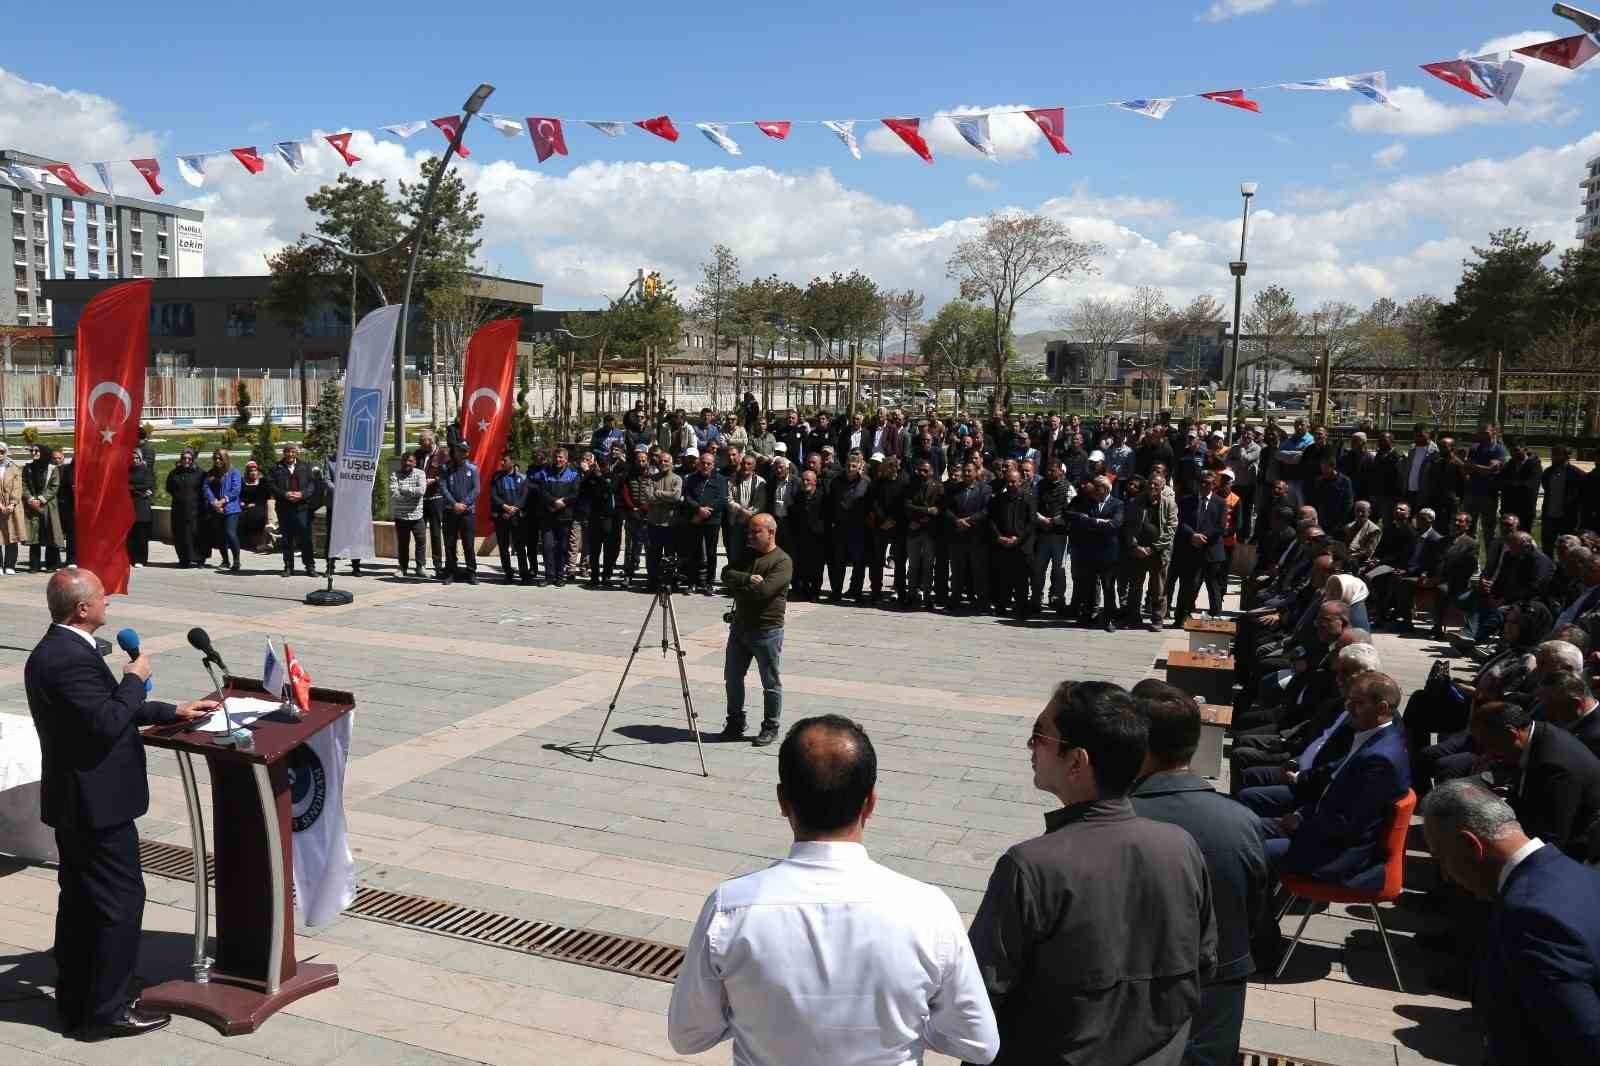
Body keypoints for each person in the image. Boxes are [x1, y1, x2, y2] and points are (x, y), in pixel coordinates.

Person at [669, 714, 999, 1063]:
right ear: (870, 803)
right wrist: (912, 1028)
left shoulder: (730, 909)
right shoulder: (929, 910)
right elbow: (979, 1044)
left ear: (783, 801)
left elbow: (687, 1036)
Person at [968, 680, 1215, 1065]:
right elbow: (1204, 963)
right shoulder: (1181, 847)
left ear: (1077, 761)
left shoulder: (1031, 867)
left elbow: (979, 995)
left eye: (1039, 735)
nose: (1029, 746)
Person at [25, 569, 218, 1038]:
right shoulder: (66, 658)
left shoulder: (64, 649)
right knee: (117, 904)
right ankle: (108, 1010)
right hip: (96, 805)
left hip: (80, 802)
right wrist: (135, 679)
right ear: (83, 610)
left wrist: (168, 711)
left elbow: (97, 707)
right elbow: (106, 721)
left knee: (82, 903)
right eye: (102, 597)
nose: (109, 602)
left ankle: (78, 1000)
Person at [1130, 686, 1269, 1066]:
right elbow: (1255, 909)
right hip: (1220, 985)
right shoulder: (1242, 820)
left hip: (1139, 991)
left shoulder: (1117, 819)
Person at [1420, 780, 1600, 1066]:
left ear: (1470, 845)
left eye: (1442, 859)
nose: (1446, 874)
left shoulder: (1531, 917)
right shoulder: (1577, 875)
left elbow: (1583, 1041)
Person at [1261, 671, 1410, 889]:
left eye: (1357, 703)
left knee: (1248, 852)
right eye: (1349, 700)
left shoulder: (1381, 759)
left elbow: (1347, 824)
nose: (1348, 707)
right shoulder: (1369, 736)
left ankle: (1255, 920)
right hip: (1318, 827)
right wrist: (1300, 815)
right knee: (1243, 829)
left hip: (1336, 855)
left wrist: (1299, 825)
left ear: (1382, 708)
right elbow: (1332, 786)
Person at [1470, 700, 1600, 861]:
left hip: (1570, 851)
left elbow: (1552, 839)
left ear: (1511, 733)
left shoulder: (1555, 767)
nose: (1487, 752)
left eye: (1489, 744)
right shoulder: (1538, 734)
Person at [720, 514, 792, 746]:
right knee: (732, 677)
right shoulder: (748, 554)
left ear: (771, 532)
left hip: (766, 630)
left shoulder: (782, 561)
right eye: (749, 532)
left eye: (756, 532)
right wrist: (748, 578)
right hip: (740, 627)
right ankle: (735, 721)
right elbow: (726, 574)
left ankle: (770, 725)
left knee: (770, 682)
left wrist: (738, 588)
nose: (750, 536)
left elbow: (764, 592)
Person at [1068, 476, 1123, 631]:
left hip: (1108, 554)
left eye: (1097, 487)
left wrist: (1094, 521)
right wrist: (1100, 522)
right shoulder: (1089, 503)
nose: (1093, 490)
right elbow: (1082, 520)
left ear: (1105, 489)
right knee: (1089, 586)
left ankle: (1109, 619)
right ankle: (1088, 615)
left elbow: (1115, 524)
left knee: (1108, 588)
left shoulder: (1117, 504)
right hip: (1090, 551)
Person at [271, 444, 317, 576]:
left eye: (293, 452)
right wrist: (285, 494)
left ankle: (309, 566)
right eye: (287, 452)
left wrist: (302, 494)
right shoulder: (276, 468)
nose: (290, 455)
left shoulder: (305, 466)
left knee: (305, 538)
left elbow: (312, 485)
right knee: (287, 538)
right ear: (284, 453)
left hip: (302, 507)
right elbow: (272, 485)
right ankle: (288, 567)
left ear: (296, 453)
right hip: (284, 508)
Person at [439, 439, 481, 585]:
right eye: (459, 450)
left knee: (468, 544)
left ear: (468, 452)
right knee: (450, 544)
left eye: (464, 450)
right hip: (450, 511)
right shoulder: (446, 468)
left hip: (467, 512)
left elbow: (476, 489)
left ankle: (471, 572)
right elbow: (443, 488)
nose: (461, 453)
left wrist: (463, 504)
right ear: (455, 451)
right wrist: (454, 504)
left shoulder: (473, 469)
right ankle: (451, 572)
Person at [23, 443, 64, 572]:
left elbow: (54, 486)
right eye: (32, 451)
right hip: (32, 506)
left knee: (49, 532)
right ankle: (34, 565)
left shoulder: (52, 469)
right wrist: (31, 499)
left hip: (48, 505)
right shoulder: (28, 468)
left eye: (36, 451)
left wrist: (41, 499)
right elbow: (24, 485)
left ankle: (51, 564)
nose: (33, 453)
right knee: (34, 534)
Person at [415, 428, 448, 579]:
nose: (419, 443)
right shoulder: (418, 454)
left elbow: (447, 474)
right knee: (419, 533)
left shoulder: (443, 455)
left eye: (422, 441)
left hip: (435, 498)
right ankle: (419, 564)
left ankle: (438, 565)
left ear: (430, 441)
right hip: (420, 498)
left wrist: (434, 480)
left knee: (435, 532)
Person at [490, 456, 529, 584]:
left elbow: (523, 496)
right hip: (502, 517)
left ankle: (524, 574)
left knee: (520, 547)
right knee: (503, 547)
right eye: (502, 460)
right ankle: (508, 573)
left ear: (512, 462)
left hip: (517, 518)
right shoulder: (496, 477)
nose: (502, 462)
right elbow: (494, 495)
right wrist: (505, 507)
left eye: (505, 461)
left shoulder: (522, 478)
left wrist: (515, 508)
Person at [203, 449, 242, 573]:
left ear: (225, 458)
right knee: (220, 536)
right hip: (216, 508)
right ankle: (225, 561)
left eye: (220, 458)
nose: (217, 461)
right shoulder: (211, 474)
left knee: (231, 534)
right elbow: (205, 488)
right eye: (215, 458)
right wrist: (213, 501)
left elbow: (236, 490)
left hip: (231, 508)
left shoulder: (234, 472)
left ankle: (236, 560)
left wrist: (223, 501)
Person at [389, 451, 427, 578]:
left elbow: (421, 491)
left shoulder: (420, 474)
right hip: (401, 517)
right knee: (403, 544)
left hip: (417, 516)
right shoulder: (395, 474)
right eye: (404, 460)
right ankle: (402, 568)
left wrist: (404, 489)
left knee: (421, 542)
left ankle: (420, 567)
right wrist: (412, 494)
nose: (407, 463)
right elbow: (394, 495)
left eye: (410, 461)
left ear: (415, 462)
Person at [163, 449, 203, 569]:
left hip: (195, 510)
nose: (186, 461)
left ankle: (198, 559)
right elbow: (169, 488)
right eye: (184, 458)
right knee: (180, 535)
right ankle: (184, 559)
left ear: (192, 460)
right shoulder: (174, 473)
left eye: (189, 459)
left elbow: (204, 488)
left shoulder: (199, 473)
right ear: (180, 459)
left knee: (195, 534)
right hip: (178, 510)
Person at [125, 450, 155, 569]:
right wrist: (136, 489)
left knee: (141, 534)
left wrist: (131, 488)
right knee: (130, 534)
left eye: (137, 457)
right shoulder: (127, 470)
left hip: (141, 505)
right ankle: (130, 557)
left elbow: (147, 485)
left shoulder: (146, 470)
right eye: (132, 457)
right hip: (129, 504)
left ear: (141, 458)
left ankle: (141, 559)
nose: (134, 459)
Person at [0, 441, 25, 574]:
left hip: (12, 507)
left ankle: (10, 565)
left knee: (11, 535)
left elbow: (17, 487)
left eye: (2, 452)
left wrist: (12, 503)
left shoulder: (14, 467)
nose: (0, 454)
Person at [238, 460, 271, 551]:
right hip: (245, 506)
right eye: (250, 471)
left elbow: (266, 496)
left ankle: (257, 542)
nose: (253, 473)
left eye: (254, 470)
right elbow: (238, 495)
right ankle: (244, 542)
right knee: (240, 516)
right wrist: (242, 503)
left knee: (256, 514)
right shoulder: (242, 482)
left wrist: (255, 504)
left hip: (260, 505)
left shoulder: (263, 482)